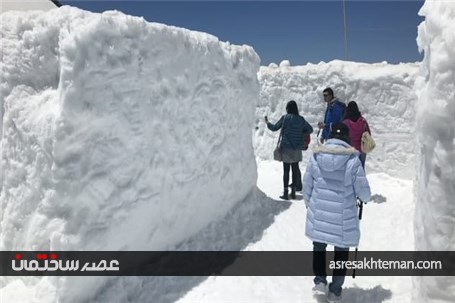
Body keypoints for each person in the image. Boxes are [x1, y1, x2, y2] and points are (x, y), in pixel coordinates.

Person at [302, 122, 371, 302]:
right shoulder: (353, 161)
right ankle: (335, 290)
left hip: (320, 213)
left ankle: (320, 281)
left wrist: (311, 204)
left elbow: (307, 184)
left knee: (319, 247)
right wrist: (364, 198)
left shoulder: (316, 156)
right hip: (343, 218)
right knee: (341, 253)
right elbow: (364, 193)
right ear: (347, 138)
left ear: (330, 136)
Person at [265, 100, 313, 200]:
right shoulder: (301, 119)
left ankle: (286, 193)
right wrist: (301, 131)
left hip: (286, 148)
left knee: (286, 170)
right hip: (296, 149)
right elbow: (310, 129)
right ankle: (294, 193)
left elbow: (275, 128)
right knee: (295, 170)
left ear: (287, 108)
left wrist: (267, 123)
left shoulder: (285, 118)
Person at [342, 101, 371, 168]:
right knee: (361, 168)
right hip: (362, 148)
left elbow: (342, 137)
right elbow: (368, 133)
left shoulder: (345, 123)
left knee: (350, 169)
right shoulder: (363, 121)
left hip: (350, 149)